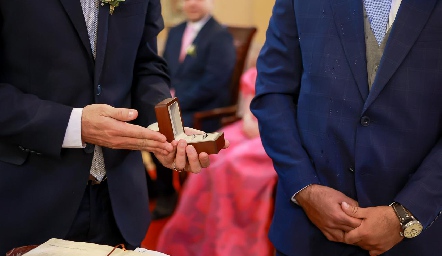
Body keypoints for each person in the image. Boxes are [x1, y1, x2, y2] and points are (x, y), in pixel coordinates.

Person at [0, 1, 223, 254]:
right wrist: (74, 125)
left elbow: (146, 64)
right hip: (29, 196)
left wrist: (162, 126)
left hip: (120, 201)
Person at [250, 0, 442, 256]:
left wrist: (407, 213)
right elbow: (273, 92)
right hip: (307, 235)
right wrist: (305, 188)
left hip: (420, 238)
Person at [156, 67, 277, 256]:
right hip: (248, 128)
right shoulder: (256, 74)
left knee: (234, 163)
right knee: (215, 151)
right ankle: (203, 229)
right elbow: (246, 108)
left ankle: (229, 233)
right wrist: (249, 121)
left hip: (276, 137)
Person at [150, 0, 236, 219]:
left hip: (202, 109)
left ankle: (167, 193)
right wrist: (162, 96)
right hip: (174, 104)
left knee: (163, 131)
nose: (192, 3)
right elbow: (163, 69)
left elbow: (214, 83)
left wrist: (175, 103)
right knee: (138, 122)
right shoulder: (176, 31)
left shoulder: (219, 35)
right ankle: (153, 186)